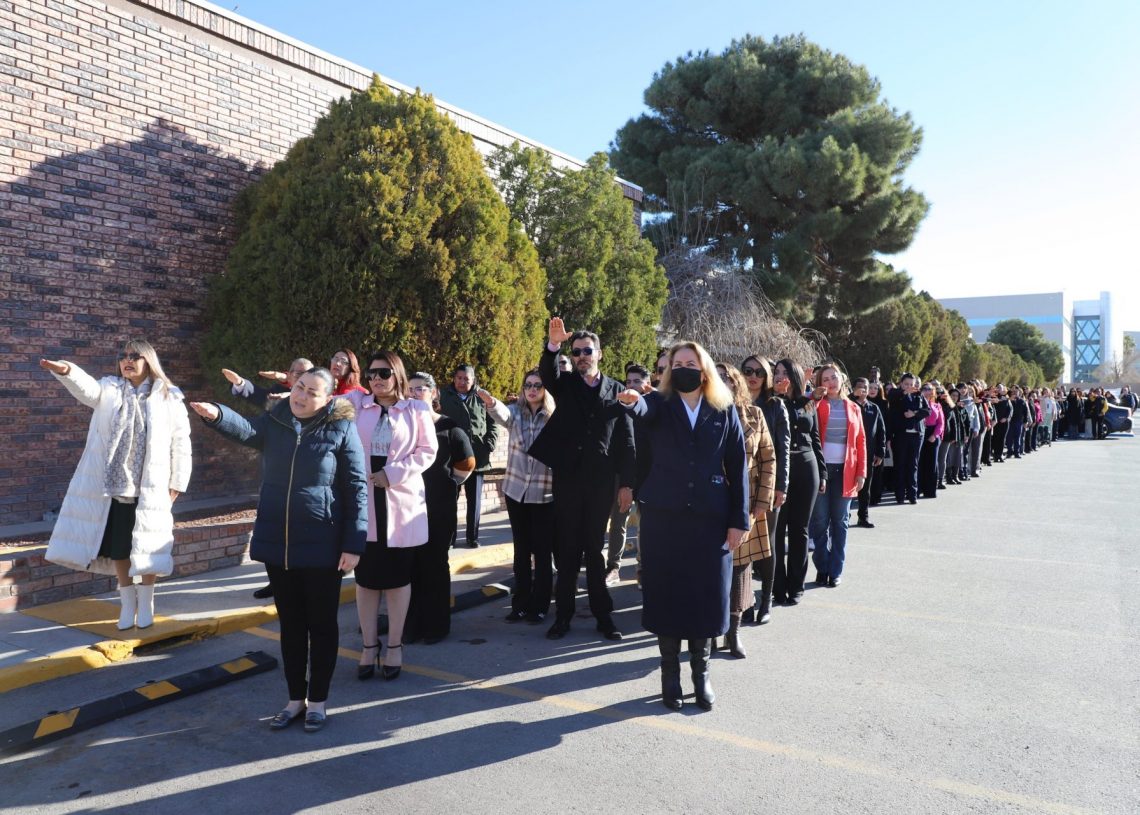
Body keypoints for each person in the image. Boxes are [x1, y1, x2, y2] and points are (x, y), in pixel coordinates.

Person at [190, 367, 365, 732]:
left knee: (322, 626)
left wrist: (353, 544)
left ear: (327, 400)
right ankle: (294, 700)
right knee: (292, 627)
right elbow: (247, 430)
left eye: (312, 392)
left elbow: (356, 487)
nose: (302, 396)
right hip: (279, 543)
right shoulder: (277, 418)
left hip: (323, 544)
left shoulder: (341, 428)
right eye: (300, 387)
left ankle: (318, 702)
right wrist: (218, 414)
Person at [618, 341, 748, 711]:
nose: (684, 369)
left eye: (691, 363)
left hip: (710, 519)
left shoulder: (723, 409)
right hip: (665, 518)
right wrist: (633, 401)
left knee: (705, 597)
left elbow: (737, 465)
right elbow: (642, 409)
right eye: (677, 363)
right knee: (668, 595)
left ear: (704, 369)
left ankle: (701, 674)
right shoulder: (659, 403)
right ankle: (670, 674)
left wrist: (738, 520)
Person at [41, 341, 192, 631]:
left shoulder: (169, 396)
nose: (127, 360)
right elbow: (87, 390)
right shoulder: (109, 389)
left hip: (151, 485)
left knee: (149, 545)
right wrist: (67, 371)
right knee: (119, 547)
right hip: (114, 486)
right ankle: (127, 603)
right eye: (123, 356)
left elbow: (181, 442)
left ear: (149, 361)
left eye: (135, 356)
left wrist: (177, 482)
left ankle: (146, 602)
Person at [529, 318, 635, 641]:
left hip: (601, 482)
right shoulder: (566, 384)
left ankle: (603, 615)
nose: (581, 357)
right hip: (569, 480)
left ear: (599, 354)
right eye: (576, 352)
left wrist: (627, 484)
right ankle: (563, 616)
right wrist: (553, 345)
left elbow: (626, 440)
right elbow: (547, 373)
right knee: (568, 549)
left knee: (594, 547)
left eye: (587, 351)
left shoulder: (617, 389)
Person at [346, 351, 436, 682]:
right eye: (371, 374)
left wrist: (393, 474)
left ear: (397, 374)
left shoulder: (416, 409)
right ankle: (369, 646)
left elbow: (427, 451)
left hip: (400, 500)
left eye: (384, 373)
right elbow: (321, 397)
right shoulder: (357, 405)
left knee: (398, 579)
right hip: (364, 499)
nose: (377, 379)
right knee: (366, 579)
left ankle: (395, 645)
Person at [220, 357, 314, 600]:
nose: (301, 377)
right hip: (276, 477)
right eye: (296, 373)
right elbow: (258, 396)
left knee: (301, 535)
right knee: (274, 534)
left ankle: (302, 582)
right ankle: (276, 582)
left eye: (306, 372)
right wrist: (240, 383)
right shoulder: (276, 396)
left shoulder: (320, 401)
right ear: (288, 375)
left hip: (306, 483)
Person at [480, 369, 556, 624]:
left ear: (545, 389)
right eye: (528, 385)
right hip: (516, 492)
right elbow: (501, 413)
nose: (532, 389)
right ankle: (521, 604)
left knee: (542, 553)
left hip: (544, 494)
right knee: (521, 551)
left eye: (537, 385)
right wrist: (491, 402)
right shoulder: (516, 413)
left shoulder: (554, 417)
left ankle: (540, 605)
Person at [405, 373, 475, 644]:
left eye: (420, 389)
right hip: (407, 509)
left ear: (434, 393)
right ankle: (412, 624)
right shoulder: (401, 425)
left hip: (438, 508)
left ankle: (436, 626)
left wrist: (448, 485)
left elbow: (466, 463)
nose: (414, 393)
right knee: (411, 567)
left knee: (434, 566)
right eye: (409, 389)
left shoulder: (448, 427)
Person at [716, 363, 775, 649]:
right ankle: (711, 631)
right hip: (710, 503)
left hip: (746, 502)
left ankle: (734, 631)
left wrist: (763, 500)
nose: (722, 381)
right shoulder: (702, 413)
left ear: (736, 382)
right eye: (716, 377)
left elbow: (768, 459)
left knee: (740, 568)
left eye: (726, 377)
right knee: (712, 568)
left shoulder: (755, 414)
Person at [739, 355, 788, 622]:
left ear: (767, 376)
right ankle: (744, 601)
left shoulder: (775, 406)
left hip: (768, 485)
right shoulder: (734, 404)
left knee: (766, 544)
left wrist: (781, 486)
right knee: (743, 546)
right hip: (742, 487)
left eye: (759, 372)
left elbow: (781, 450)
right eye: (748, 371)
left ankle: (766, 600)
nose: (753, 376)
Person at [808, 364, 867, 587]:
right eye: (825, 379)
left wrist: (861, 472)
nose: (831, 382)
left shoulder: (853, 407)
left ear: (841, 379)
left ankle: (835, 570)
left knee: (840, 522)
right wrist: (812, 397)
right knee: (820, 522)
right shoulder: (816, 404)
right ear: (819, 383)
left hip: (846, 471)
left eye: (834, 377)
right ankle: (822, 567)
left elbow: (861, 441)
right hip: (821, 471)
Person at [771, 358, 824, 605]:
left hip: (806, 466)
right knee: (777, 530)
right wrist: (780, 395)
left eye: (785, 372)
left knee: (799, 529)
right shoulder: (771, 402)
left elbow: (815, 438)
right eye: (776, 372)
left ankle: (796, 585)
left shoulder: (807, 403)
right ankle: (777, 586)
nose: (780, 375)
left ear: (795, 376)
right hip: (780, 470)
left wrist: (823, 473)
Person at [439, 364, 499, 549]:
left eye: (466, 379)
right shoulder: (443, 396)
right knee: (450, 499)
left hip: (477, 456)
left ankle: (472, 537)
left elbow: (492, 422)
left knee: (474, 501)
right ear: (454, 378)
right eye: (459, 378)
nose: (462, 382)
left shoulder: (482, 397)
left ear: (473, 380)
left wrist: (489, 443)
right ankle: (450, 538)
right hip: (452, 457)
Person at [605, 363, 651, 584]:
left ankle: (643, 570)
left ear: (647, 384)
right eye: (628, 381)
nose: (631, 386)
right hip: (622, 474)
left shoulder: (654, 408)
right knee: (618, 522)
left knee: (645, 526)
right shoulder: (618, 406)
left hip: (648, 476)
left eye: (637, 382)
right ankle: (613, 567)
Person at [888, 373, 930, 504]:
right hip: (901, 435)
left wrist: (914, 413)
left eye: (911, 384)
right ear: (901, 384)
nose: (909, 386)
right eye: (906, 384)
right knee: (900, 464)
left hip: (917, 435)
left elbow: (927, 411)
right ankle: (900, 495)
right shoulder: (896, 394)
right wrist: (904, 392)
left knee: (913, 465)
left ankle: (912, 495)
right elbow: (892, 398)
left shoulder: (919, 395)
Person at [851, 378, 885, 528]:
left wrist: (880, 452)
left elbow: (881, 431)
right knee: (848, 485)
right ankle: (844, 516)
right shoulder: (849, 404)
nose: (863, 389)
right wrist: (853, 396)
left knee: (865, 488)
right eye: (859, 387)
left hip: (868, 453)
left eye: (865, 387)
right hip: (850, 453)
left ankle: (863, 517)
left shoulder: (874, 408)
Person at [221, 357, 313, 412]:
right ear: (289, 375)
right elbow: (261, 397)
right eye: (298, 374)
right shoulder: (278, 392)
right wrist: (240, 383)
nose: (303, 379)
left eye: (309, 374)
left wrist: (290, 394)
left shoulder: (317, 395)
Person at [918, 383, 943, 498]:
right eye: (925, 389)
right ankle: (918, 489)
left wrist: (935, 435)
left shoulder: (937, 406)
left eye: (930, 389)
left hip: (933, 434)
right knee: (920, 462)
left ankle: (930, 491)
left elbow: (941, 423)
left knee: (932, 463)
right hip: (920, 433)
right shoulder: (917, 403)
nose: (927, 391)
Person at [991, 385, 1012, 461]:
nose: (999, 389)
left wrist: (1006, 418)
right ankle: (995, 455)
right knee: (995, 438)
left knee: (1002, 439)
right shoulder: (993, 397)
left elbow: (1010, 409)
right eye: (998, 388)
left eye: (1001, 388)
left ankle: (999, 455)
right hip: (995, 422)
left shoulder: (1006, 398)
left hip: (1004, 422)